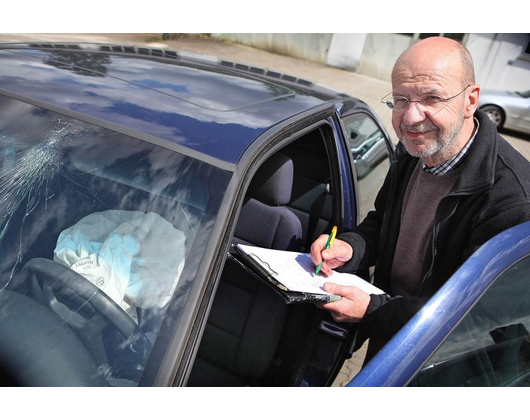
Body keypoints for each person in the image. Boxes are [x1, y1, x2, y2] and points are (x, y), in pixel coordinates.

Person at [310, 36, 530, 361]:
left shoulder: (513, 199)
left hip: (445, 365)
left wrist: (373, 312)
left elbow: (480, 315)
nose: (411, 118)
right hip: (393, 339)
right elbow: (381, 223)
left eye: (431, 98)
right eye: (401, 99)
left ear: (470, 101)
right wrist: (351, 247)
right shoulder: (414, 151)